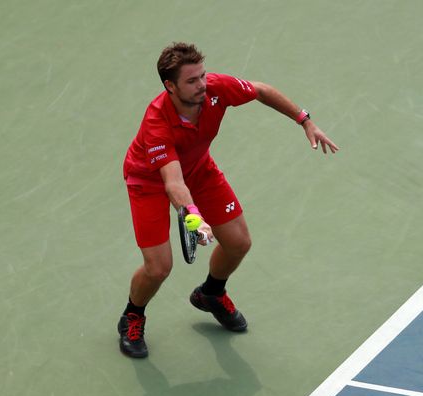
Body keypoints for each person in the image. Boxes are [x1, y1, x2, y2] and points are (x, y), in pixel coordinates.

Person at [119, 42, 338, 358]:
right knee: (158, 268)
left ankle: (210, 293)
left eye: (202, 76)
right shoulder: (157, 122)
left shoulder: (216, 89)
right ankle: (133, 315)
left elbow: (260, 90)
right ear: (170, 86)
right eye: (192, 81)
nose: (202, 85)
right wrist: (193, 217)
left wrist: (305, 120)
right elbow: (173, 182)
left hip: (199, 170)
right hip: (148, 183)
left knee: (238, 243)